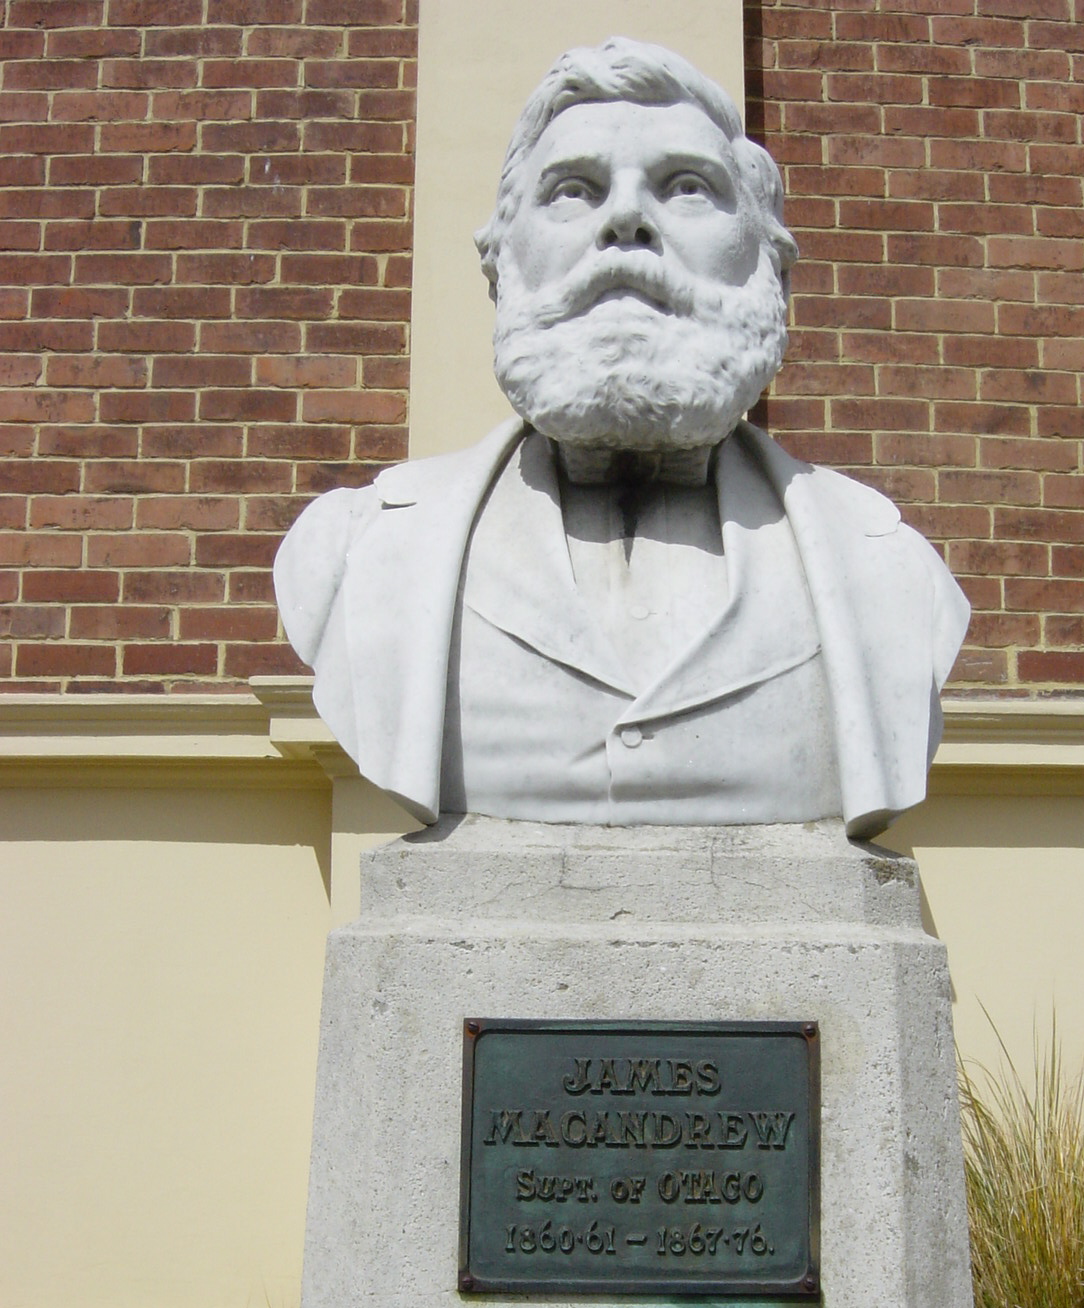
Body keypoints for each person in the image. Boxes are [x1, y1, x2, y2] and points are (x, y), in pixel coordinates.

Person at [274, 37, 969, 838]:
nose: (627, 221)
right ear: (500, 261)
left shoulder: (888, 569)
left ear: (770, 267)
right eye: (573, 190)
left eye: (687, 188)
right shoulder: (361, 550)